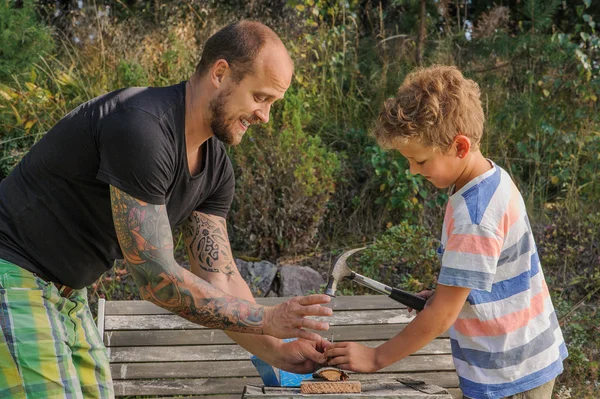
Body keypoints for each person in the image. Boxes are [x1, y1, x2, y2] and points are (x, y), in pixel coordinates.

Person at [0, 21, 333, 399]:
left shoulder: (215, 168)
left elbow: (219, 278)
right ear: (220, 73)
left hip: (68, 294)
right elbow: (156, 278)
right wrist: (269, 319)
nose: (264, 116)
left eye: (272, 103)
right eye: (260, 97)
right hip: (12, 273)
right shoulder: (143, 127)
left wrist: (278, 350)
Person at [324, 65, 568, 399]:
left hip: (507, 376)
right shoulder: (489, 180)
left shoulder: (475, 215)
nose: (412, 170)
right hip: (520, 360)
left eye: (420, 161)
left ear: (460, 147)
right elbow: (487, 276)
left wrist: (375, 356)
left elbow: (442, 317)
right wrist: (450, 292)